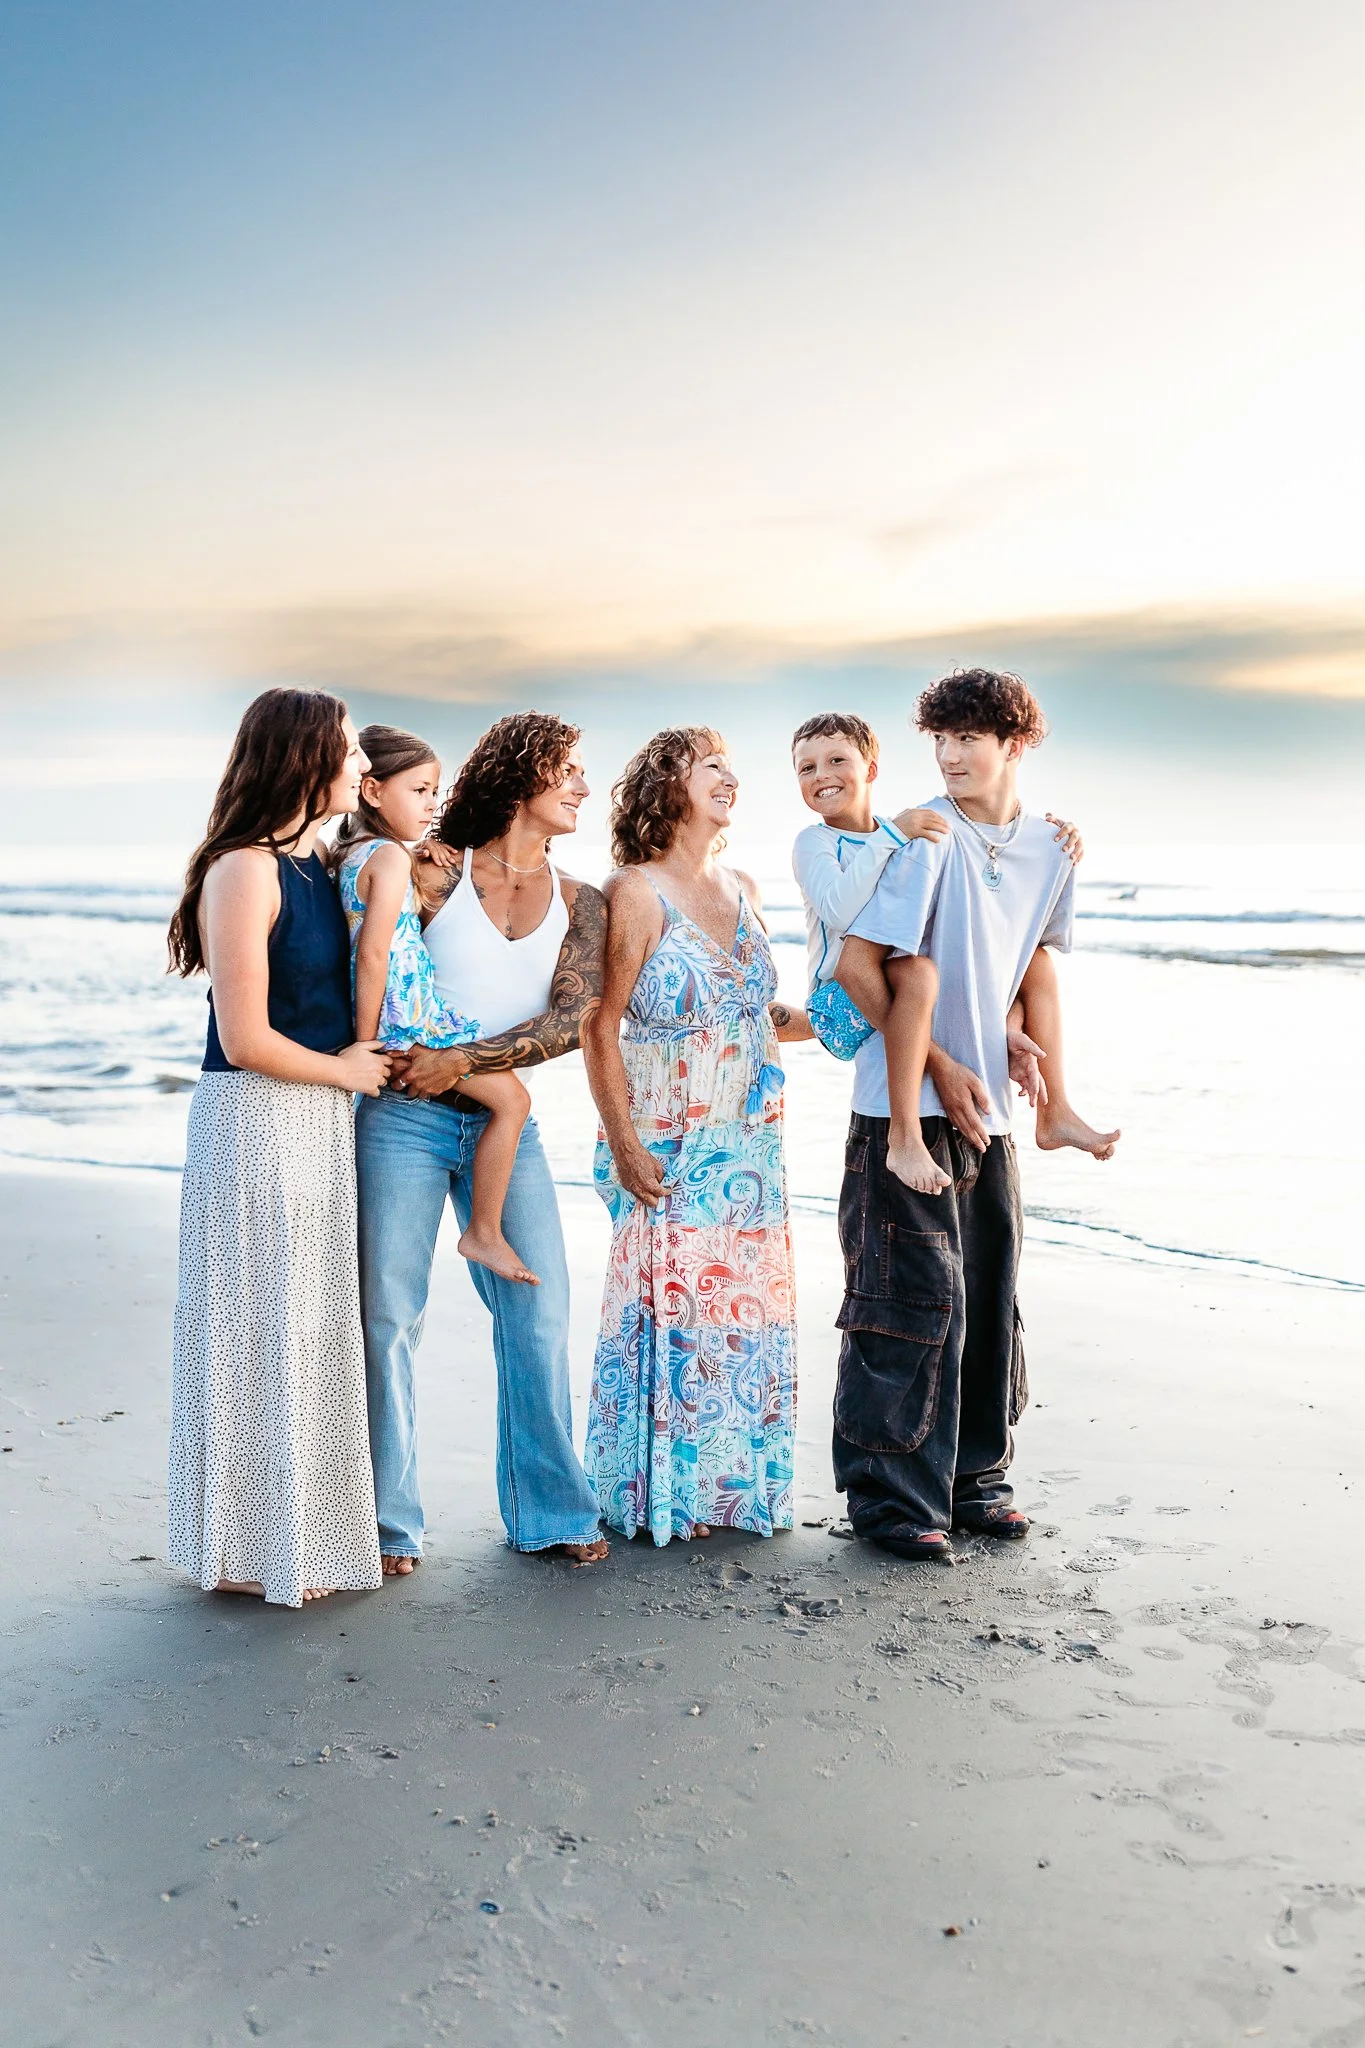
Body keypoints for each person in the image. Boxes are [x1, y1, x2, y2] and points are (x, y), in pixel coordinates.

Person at [830, 668, 1120, 1561]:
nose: (951, 757)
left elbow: (1025, 960)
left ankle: (975, 1481)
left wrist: (1012, 1047)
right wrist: (942, 1063)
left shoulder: (1050, 848)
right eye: (940, 740)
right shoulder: (924, 838)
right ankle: (891, 1503)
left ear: (1014, 744)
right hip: (901, 1107)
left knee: (987, 1301)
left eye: (969, 739)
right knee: (907, 1302)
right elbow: (857, 966)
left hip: (989, 1113)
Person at [355, 711, 609, 1571]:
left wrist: (463, 1060)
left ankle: (551, 1513)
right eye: (567, 769)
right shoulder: (435, 870)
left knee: (536, 1315)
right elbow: (380, 971)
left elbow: (573, 1020)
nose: (581, 786)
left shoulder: (584, 901)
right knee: (389, 1318)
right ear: (521, 772)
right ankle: (387, 1526)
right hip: (401, 1117)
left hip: (509, 1122)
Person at [165, 688, 390, 1608]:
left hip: (313, 1119)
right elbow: (246, 1034)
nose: (362, 768)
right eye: (347, 751)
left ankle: (301, 1542)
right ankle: (242, 1548)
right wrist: (348, 1073)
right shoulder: (243, 871)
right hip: (255, 1117)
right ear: (303, 757)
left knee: (307, 1331)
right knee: (255, 1331)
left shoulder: (317, 864)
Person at [582, 726, 811, 1545]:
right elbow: (599, 1027)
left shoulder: (744, 884)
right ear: (667, 782)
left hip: (749, 1146)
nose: (730, 779)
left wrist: (893, 1019)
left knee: (740, 1317)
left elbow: (756, 1015)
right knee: (671, 1316)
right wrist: (623, 1143)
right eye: (712, 765)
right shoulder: (635, 892)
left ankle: (727, 1490)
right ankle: (665, 1491)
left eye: (730, 767)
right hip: (669, 1141)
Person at [334, 724, 538, 1286]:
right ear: (372, 791)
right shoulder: (392, 860)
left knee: (507, 1094)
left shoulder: (350, 853)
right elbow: (375, 954)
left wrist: (416, 848)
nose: (433, 804)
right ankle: (484, 1233)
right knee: (513, 1101)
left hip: (400, 1017)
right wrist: (369, 1041)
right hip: (405, 1020)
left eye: (435, 790)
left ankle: (485, 1230)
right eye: (419, 790)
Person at [791, 712, 952, 1193]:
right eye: (806, 767)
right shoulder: (814, 842)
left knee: (920, 972)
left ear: (870, 770)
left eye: (837, 760)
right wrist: (892, 836)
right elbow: (839, 910)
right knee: (919, 974)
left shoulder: (899, 835)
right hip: (839, 1002)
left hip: (884, 988)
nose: (821, 775)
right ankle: (904, 1136)